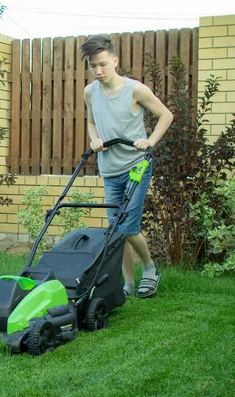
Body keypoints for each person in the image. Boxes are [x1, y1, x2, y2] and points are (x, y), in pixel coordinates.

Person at [80, 35, 173, 298]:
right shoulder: (90, 92)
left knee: (128, 226)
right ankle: (128, 283)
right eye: (92, 66)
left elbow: (166, 115)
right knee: (117, 231)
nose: (98, 71)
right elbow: (92, 122)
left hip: (136, 165)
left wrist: (150, 140)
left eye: (103, 64)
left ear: (114, 61)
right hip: (109, 169)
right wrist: (94, 139)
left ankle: (150, 268)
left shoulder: (135, 90)